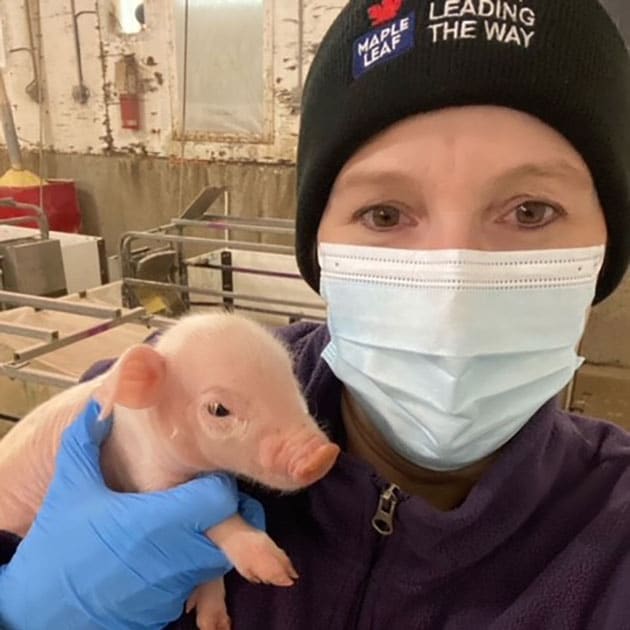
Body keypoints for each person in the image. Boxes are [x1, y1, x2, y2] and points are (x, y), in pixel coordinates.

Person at [2, 0, 630, 627]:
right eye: (384, 214)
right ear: (318, 248)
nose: (454, 286)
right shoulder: (160, 397)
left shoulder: (612, 538)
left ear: (606, 247)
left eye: (531, 212)